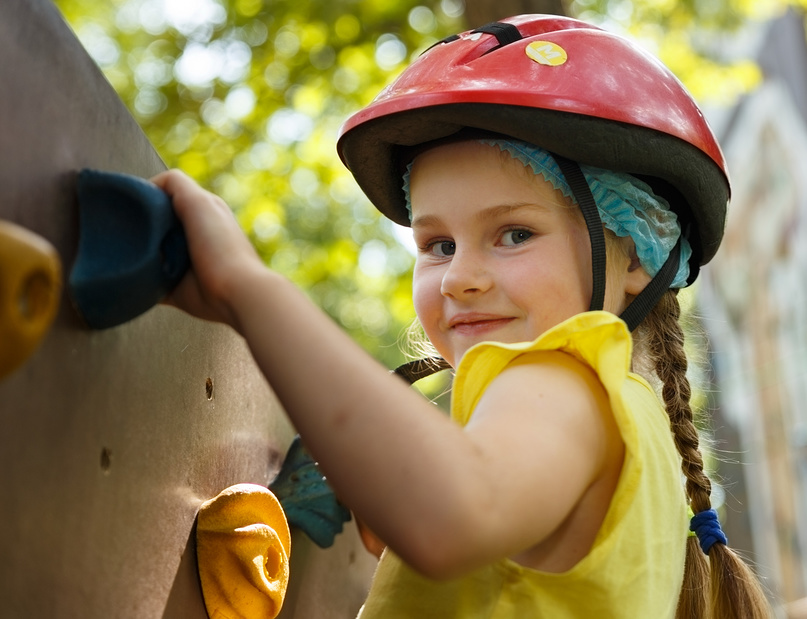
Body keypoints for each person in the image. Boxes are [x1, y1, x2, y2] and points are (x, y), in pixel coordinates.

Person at [153, 14, 773, 618]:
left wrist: (245, 287)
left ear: (636, 252)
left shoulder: (562, 380)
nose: (459, 277)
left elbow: (450, 517)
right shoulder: (626, 426)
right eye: (439, 246)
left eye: (514, 233)